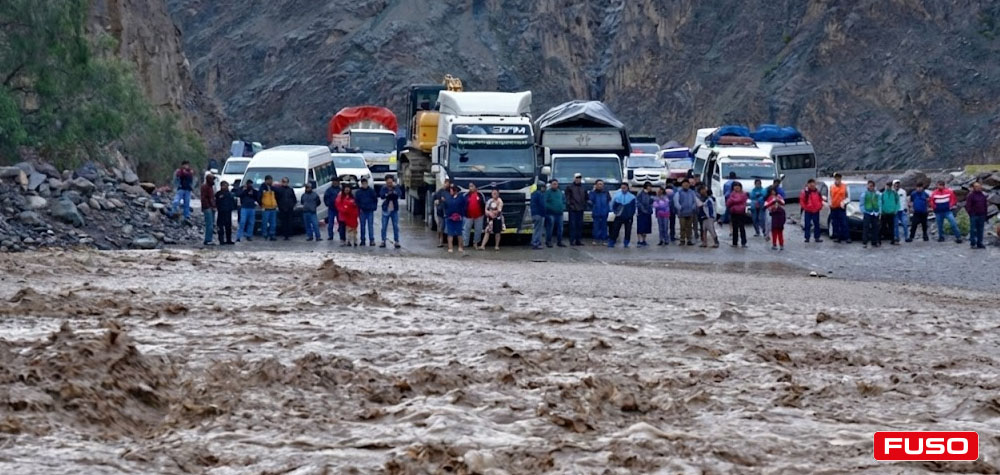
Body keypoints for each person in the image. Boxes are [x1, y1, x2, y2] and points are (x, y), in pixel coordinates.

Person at [609, 182, 636, 248]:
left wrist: (631, 214)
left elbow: (634, 207)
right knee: (615, 229)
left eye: (624, 188)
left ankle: (626, 242)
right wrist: (615, 212)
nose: (623, 189)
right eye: (622, 188)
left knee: (628, 230)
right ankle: (612, 241)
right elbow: (613, 205)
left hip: (628, 217)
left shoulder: (632, 197)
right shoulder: (617, 196)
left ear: (627, 188)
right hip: (619, 216)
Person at [673, 179, 698, 246]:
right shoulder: (679, 192)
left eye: (687, 184)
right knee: (682, 227)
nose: (686, 185)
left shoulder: (692, 192)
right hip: (682, 213)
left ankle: (689, 240)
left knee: (689, 227)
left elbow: (694, 201)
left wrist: (693, 208)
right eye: (684, 184)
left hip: (690, 213)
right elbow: (676, 202)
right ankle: (682, 240)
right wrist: (680, 208)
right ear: (682, 185)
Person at [379, 175, 402, 248]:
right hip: (386, 209)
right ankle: (383, 241)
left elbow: (399, 194)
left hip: (394, 209)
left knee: (395, 226)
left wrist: (392, 194)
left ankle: (397, 241)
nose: (389, 183)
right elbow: (382, 195)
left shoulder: (396, 187)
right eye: (388, 182)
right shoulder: (384, 188)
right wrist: (388, 195)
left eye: (391, 182)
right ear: (386, 182)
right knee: (384, 226)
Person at [565, 173, 587, 246]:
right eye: (577, 178)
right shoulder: (569, 187)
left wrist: (584, 205)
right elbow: (567, 198)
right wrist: (570, 206)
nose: (578, 179)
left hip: (580, 209)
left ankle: (578, 240)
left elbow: (586, 197)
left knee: (579, 226)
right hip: (573, 209)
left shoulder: (583, 187)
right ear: (574, 178)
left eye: (579, 178)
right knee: (572, 226)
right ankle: (572, 240)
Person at [443, 185, 467, 253]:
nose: (450, 192)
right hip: (449, 218)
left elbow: (464, 206)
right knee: (450, 233)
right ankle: (450, 248)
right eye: (450, 190)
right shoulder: (448, 198)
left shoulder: (461, 197)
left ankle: (460, 247)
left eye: (451, 190)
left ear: (455, 191)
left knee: (459, 233)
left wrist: (460, 214)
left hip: (459, 218)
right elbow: (445, 206)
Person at [799, 178, 824, 243]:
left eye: (813, 184)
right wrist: (805, 208)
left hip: (816, 210)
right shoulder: (805, 192)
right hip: (808, 211)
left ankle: (817, 237)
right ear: (808, 184)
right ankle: (807, 238)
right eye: (811, 184)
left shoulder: (817, 192)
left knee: (817, 224)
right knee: (807, 224)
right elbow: (802, 201)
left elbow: (820, 200)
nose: (812, 185)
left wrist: (820, 206)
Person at [354, 178, 378, 246]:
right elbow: (356, 201)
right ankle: (363, 240)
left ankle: (371, 240)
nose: (364, 185)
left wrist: (373, 208)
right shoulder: (358, 192)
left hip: (370, 210)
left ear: (367, 183)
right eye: (363, 183)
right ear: (361, 184)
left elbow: (375, 200)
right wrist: (360, 208)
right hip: (362, 211)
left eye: (365, 183)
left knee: (370, 226)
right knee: (362, 226)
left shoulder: (371, 191)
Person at [463, 182, 487, 248]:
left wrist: (484, 213)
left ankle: (475, 243)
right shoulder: (466, 195)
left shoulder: (480, 195)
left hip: (479, 216)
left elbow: (484, 204)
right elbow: (463, 204)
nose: (471, 188)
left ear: (475, 187)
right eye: (470, 186)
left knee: (478, 230)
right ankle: (465, 243)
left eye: (472, 186)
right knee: (466, 229)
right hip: (468, 216)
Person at [829, 173, 851, 243]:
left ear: (841, 179)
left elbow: (848, 197)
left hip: (841, 208)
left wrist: (844, 202)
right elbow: (830, 197)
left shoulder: (845, 186)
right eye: (836, 178)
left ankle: (847, 237)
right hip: (834, 207)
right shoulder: (831, 187)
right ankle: (837, 237)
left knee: (844, 223)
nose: (837, 180)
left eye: (838, 178)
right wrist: (830, 204)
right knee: (835, 223)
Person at [726, 182, 749, 248]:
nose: (736, 187)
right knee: (735, 228)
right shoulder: (732, 194)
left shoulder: (743, 194)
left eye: (738, 186)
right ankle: (734, 242)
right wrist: (732, 201)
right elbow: (728, 203)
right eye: (735, 186)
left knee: (742, 228)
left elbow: (739, 200)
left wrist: (732, 200)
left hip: (741, 212)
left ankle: (743, 242)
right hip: (733, 212)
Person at [859, 180, 882, 248]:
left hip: (875, 212)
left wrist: (879, 212)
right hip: (867, 212)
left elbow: (879, 203)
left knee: (875, 228)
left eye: (872, 186)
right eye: (869, 186)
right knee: (866, 228)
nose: (871, 187)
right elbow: (861, 204)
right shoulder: (864, 194)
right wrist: (864, 211)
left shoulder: (877, 194)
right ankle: (865, 242)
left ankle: (874, 242)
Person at [544, 179, 566, 248]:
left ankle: (559, 242)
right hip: (550, 213)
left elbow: (564, 200)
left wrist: (563, 207)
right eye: (553, 184)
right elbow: (544, 202)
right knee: (550, 228)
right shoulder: (547, 193)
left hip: (559, 213)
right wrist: (550, 208)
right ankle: (548, 241)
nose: (555, 185)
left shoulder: (560, 192)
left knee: (560, 228)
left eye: (556, 184)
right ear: (551, 185)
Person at [966, 181, 988, 249]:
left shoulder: (983, 195)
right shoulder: (970, 196)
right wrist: (970, 213)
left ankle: (979, 243)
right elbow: (968, 206)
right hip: (974, 215)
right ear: (973, 188)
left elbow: (985, 205)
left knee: (980, 230)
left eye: (979, 186)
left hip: (982, 215)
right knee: (973, 229)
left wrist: (985, 214)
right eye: (976, 186)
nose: (978, 188)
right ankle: (973, 243)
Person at [589, 179, 611, 244]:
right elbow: (590, 201)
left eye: (601, 184)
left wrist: (607, 210)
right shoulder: (593, 193)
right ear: (596, 185)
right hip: (596, 212)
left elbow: (609, 200)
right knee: (596, 227)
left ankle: (604, 239)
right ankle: (595, 239)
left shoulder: (606, 193)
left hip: (604, 212)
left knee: (604, 227)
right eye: (598, 184)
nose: (600, 185)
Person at [215, 180, 236, 245]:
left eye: (227, 186)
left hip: (228, 212)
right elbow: (216, 202)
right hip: (221, 212)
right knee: (220, 227)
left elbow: (233, 202)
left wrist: (232, 208)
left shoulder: (229, 194)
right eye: (225, 186)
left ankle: (228, 240)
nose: (226, 187)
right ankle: (221, 240)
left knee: (228, 227)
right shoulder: (218, 194)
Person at [432, 179, 452, 247]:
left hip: (448, 212)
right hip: (440, 212)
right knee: (441, 227)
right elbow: (435, 199)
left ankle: (447, 241)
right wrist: (438, 201)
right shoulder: (440, 191)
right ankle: (440, 241)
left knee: (446, 227)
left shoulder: (450, 191)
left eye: (448, 183)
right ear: (444, 183)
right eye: (446, 183)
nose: (447, 185)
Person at [259, 176, 279, 241]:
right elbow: (259, 197)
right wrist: (261, 204)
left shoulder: (273, 188)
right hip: (266, 208)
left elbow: (277, 194)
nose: (271, 181)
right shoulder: (262, 188)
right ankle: (264, 235)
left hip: (273, 208)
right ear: (266, 180)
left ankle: (272, 234)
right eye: (270, 180)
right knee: (264, 222)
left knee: (273, 223)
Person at [634, 182, 654, 247]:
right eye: (649, 186)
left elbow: (651, 202)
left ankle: (644, 240)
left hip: (648, 213)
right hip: (641, 213)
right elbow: (638, 202)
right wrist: (643, 209)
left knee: (646, 227)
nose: (650, 188)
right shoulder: (640, 193)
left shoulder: (650, 194)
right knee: (640, 227)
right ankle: (639, 241)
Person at [323, 177, 342, 242]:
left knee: (341, 223)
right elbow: (325, 198)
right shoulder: (329, 190)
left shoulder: (340, 190)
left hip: (339, 209)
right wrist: (328, 204)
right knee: (330, 223)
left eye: (336, 181)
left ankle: (342, 235)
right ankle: (330, 236)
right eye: (333, 181)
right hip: (331, 208)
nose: (335, 183)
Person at [200, 173, 216, 246]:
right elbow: (205, 198)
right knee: (209, 224)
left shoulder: (210, 187)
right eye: (212, 179)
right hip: (207, 207)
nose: (214, 181)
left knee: (211, 224)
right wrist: (210, 206)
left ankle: (209, 239)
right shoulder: (205, 187)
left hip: (210, 207)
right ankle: (208, 240)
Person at [530, 182, 546, 250]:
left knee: (535, 229)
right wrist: (545, 212)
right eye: (544, 187)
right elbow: (542, 204)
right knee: (538, 230)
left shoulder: (533, 194)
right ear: (541, 187)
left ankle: (533, 241)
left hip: (533, 214)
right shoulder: (540, 194)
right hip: (539, 214)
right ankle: (536, 243)